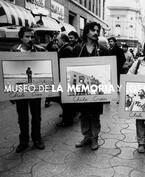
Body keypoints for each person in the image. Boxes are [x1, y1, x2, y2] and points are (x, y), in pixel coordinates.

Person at [73, 22, 109, 150]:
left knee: (94, 115)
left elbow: (108, 70)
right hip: (82, 88)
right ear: (86, 31)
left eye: (97, 30)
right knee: (84, 114)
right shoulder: (78, 49)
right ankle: (86, 137)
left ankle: (94, 138)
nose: (96, 32)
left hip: (97, 89)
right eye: (93, 30)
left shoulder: (103, 50)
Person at [11, 26, 46, 153]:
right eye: (27, 36)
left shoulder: (38, 50)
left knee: (36, 115)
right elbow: (10, 71)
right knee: (22, 117)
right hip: (20, 90)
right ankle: (23, 141)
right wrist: (10, 92)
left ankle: (37, 139)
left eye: (32, 36)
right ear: (21, 37)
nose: (30, 39)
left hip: (35, 88)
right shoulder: (14, 50)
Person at [55, 33, 74, 127]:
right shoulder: (66, 48)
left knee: (64, 100)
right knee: (63, 100)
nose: (56, 42)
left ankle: (67, 120)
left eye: (57, 40)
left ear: (63, 40)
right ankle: (67, 117)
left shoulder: (67, 49)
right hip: (64, 78)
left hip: (64, 78)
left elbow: (65, 65)